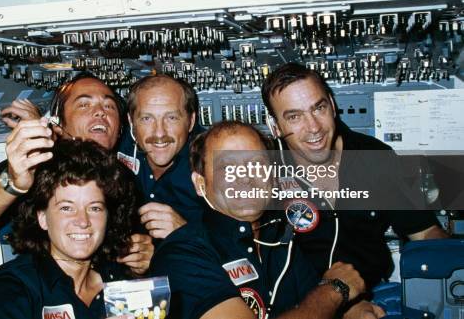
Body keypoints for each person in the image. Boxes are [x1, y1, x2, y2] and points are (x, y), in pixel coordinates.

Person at [150, 121, 381, 319]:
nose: (246, 179)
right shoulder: (182, 254)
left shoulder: (280, 240)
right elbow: (326, 295)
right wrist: (336, 289)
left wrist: (352, 307)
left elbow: (314, 304)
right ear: (200, 184)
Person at [260, 62, 448, 289]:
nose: (313, 127)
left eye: (319, 108)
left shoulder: (375, 156)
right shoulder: (266, 171)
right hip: (301, 302)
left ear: (332, 104)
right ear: (275, 126)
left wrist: (452, 270)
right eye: (294, 117)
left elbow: (425, 232)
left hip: (374, 296)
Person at [0, 73, 152, 275]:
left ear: (120, 128)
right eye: (84, 104)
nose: (100, 112)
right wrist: (13, 184)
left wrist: (141, 264)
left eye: (109, 105)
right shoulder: (35, 166)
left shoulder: (126, 182)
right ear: (59, 124)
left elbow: (129, 257)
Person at [0, 140, 136, 319]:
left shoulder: (121, 282)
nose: (83, 221)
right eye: (67, 208)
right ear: (43, 218)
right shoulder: (13, 285)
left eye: (94, 208)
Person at [122, 74, 205, 239]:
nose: (159, 133)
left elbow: (251, 239)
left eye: (172, 118)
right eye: (146, 118)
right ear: (131, 122)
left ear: (191, 120)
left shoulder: (219, 156)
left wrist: (185, 235)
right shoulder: (115, 144)